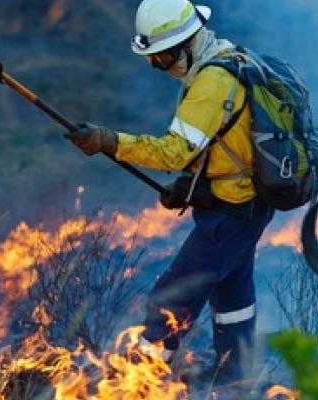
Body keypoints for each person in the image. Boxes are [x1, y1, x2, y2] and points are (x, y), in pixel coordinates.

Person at [65, 0, 273, 383]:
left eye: (161, 57)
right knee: (232, 293)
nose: (156, 66)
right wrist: (188, 187)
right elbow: (224, 145)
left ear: (188, 43)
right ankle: (237, 377)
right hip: (246, 203)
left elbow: (175, 151)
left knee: (172, 296)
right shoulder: (227, 56)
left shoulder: (212, 82)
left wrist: (110, 141)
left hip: (232, 210)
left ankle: (140, 381)